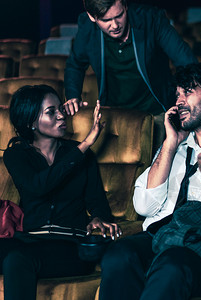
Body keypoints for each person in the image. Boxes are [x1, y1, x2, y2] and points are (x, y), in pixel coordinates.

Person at [99, 63, 201, 300]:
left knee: (172, 263)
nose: (179, 101)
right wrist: (169, 144)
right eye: (177, 94)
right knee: (119, 254)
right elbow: (144, 207)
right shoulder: (173, 148)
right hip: (161, 238)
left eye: (187, 92)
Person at [0, 85, 121, 300]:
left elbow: (97, 203)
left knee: (17, 259)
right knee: (17, 254)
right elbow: (38, 186)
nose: (61, 115)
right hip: (29, 240)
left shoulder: (82, 154)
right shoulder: (16, 155)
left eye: (60, 109)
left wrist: (97, 218)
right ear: (31, 122)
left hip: (69, 246)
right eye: (51, 112)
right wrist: (83, 147)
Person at [63, 0, 198, 152]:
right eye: (106, 20)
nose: (115, 25)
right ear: (92, 17)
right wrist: (73, 96)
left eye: (119, 16)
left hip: (157, 112)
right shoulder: (87, 26)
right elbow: (75, 64)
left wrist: (184, 94)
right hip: (116, 115)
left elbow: (187, 62)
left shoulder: (151, 18)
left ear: (125, 6)